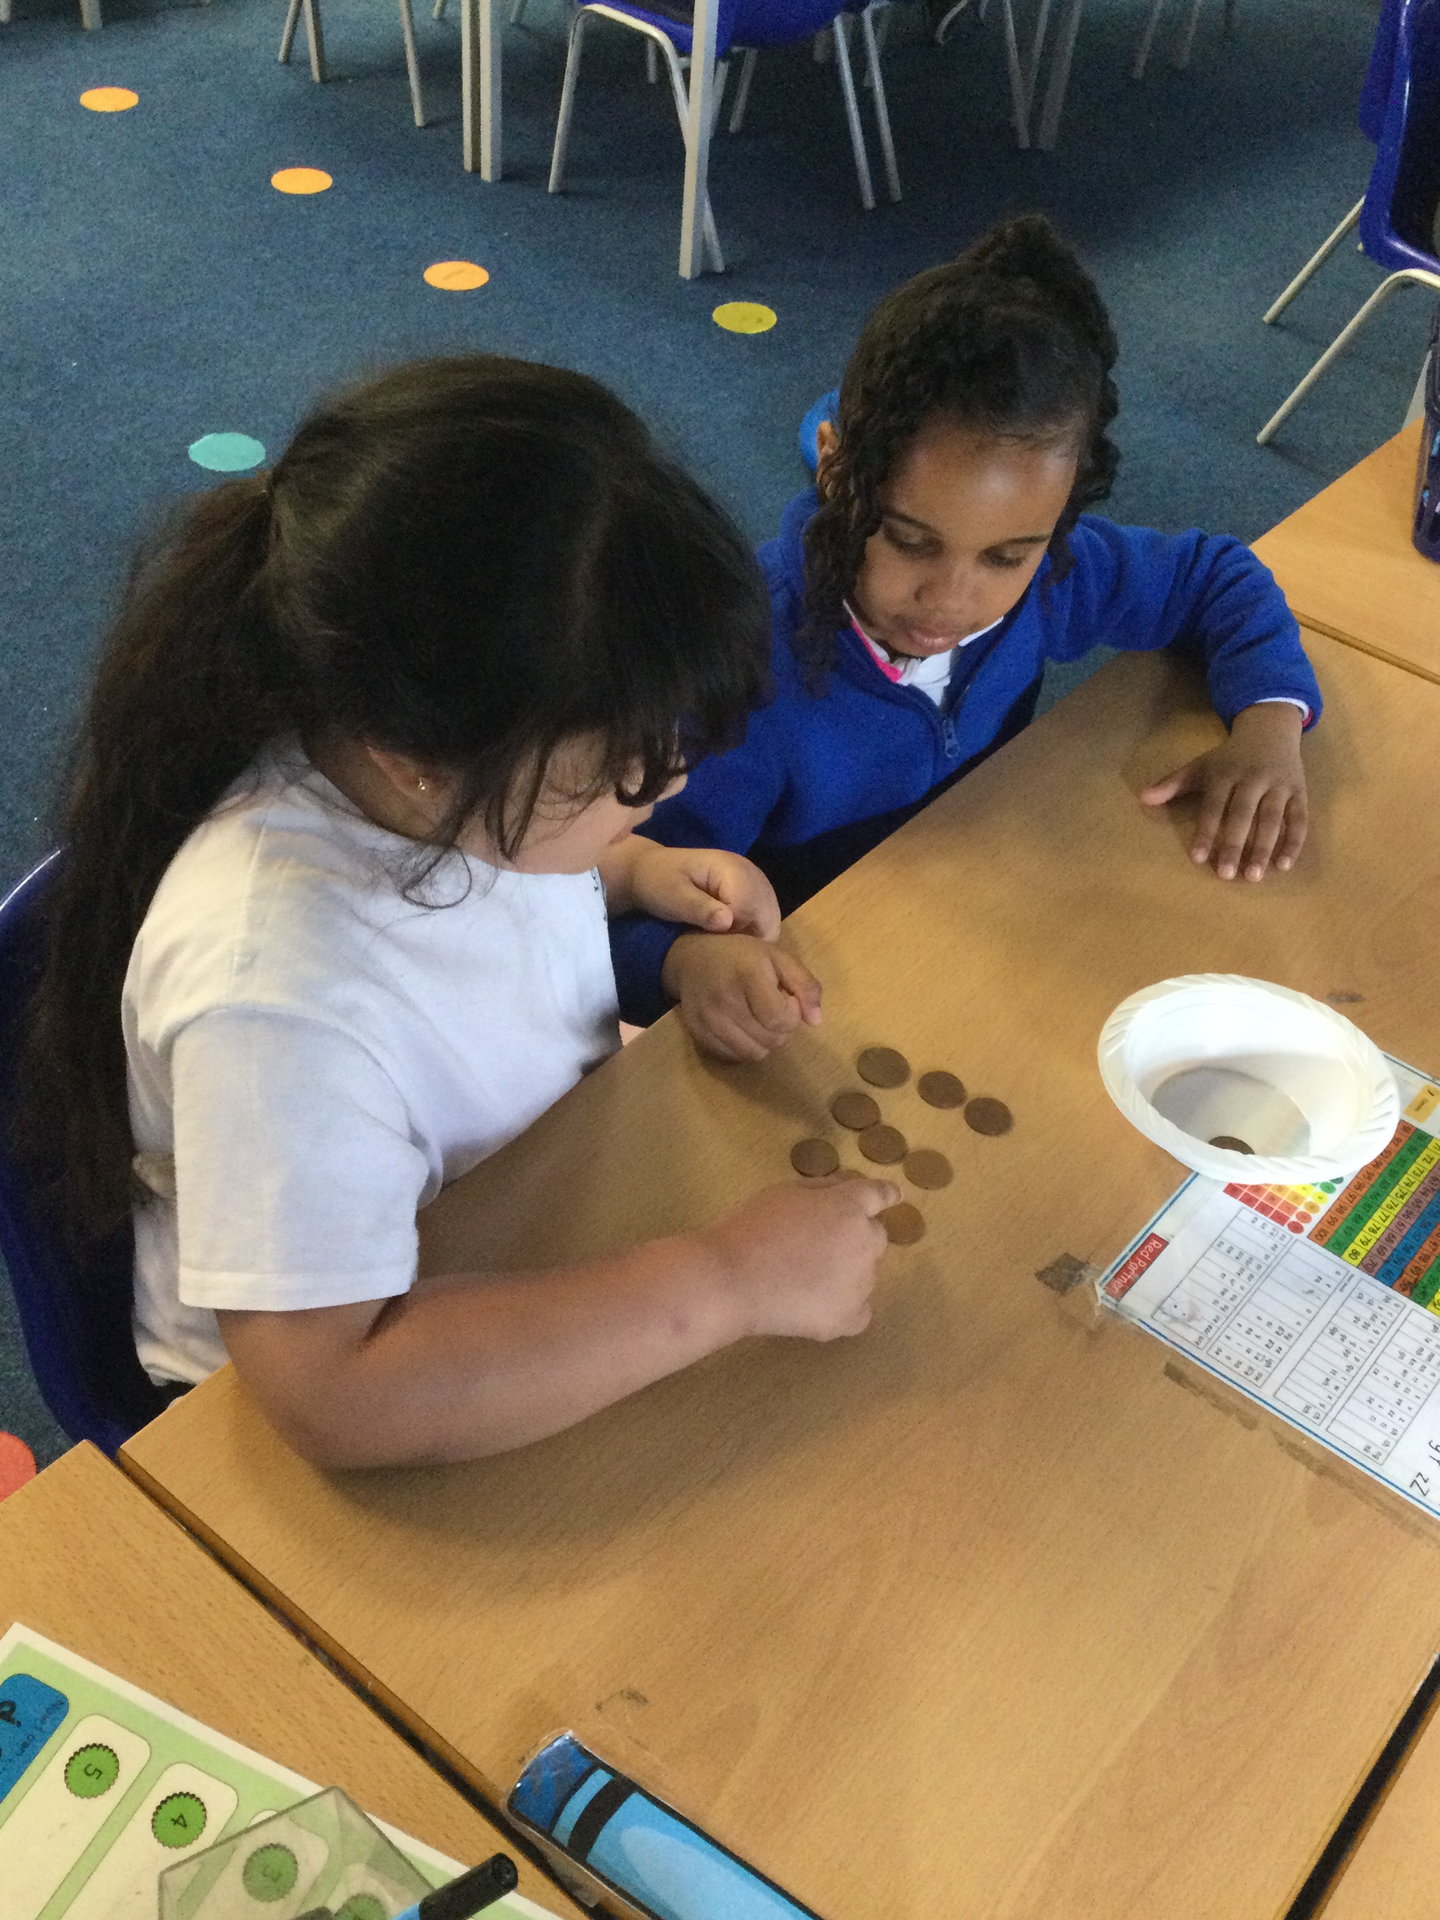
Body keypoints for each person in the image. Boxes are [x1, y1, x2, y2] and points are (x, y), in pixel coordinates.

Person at [16, 357, 899, 1469]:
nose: (673, 787)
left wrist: (623, 873)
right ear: (424, 762)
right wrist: (725, 1285)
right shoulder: (277, 999)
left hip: (516, 1205)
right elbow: (337, 1391)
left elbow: (497, 875)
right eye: (628, 771)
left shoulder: (435, 772)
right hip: (340, 1395)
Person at [609, 215, 1323, 1061]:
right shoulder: (736, 674)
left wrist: (1270, 723)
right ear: (835, 468)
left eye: (1006, 556)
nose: (951, 599)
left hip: (985, 930)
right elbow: (595, 896)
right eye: (911, 540)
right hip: (833, 1006)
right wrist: (687, 962)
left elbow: (1216, 576)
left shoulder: (1053, 577)